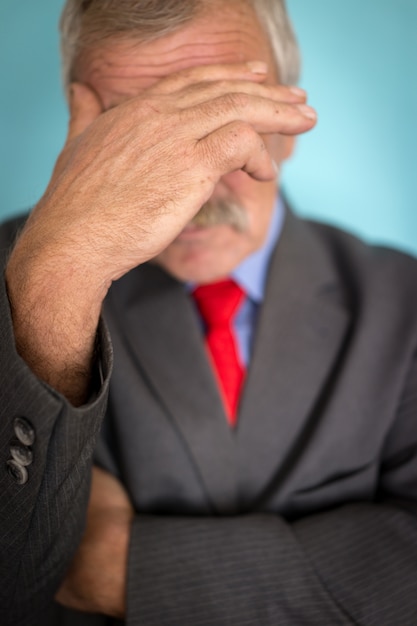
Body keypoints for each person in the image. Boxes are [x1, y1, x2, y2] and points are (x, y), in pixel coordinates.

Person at [1, 0, 416, 624]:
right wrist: (60, 276)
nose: (189, 188)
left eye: (222, 120)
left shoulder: (404, 299)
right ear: (82, 135)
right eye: (141, 138)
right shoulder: (18, 273)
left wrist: (124, 569)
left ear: (287, 114)